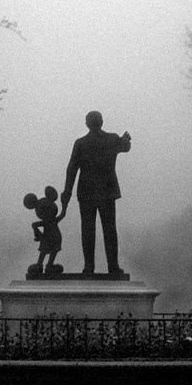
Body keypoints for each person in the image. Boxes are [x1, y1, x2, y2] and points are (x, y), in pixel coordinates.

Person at [61, 111, 131, 276]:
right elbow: (125, 147)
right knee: (110, 230)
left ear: (87, 123)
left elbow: (72, 168)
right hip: (107, 190)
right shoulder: (112, 139)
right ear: (102, 121)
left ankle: (89, 267)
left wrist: (67, 191)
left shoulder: (81, 143)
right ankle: (113, 267)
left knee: (88, 230)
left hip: (87, 191)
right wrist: (126, 139)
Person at [24, 186, 67, 277]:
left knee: (46, 250)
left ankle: (45, 265)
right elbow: (62, 214)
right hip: (54, 236)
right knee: (46, 250)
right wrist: (64, 205)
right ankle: (45, 265)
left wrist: (64, 204)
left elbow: (61, 215)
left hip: (49, 236)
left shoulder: (48, 221)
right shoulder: (52, 221)